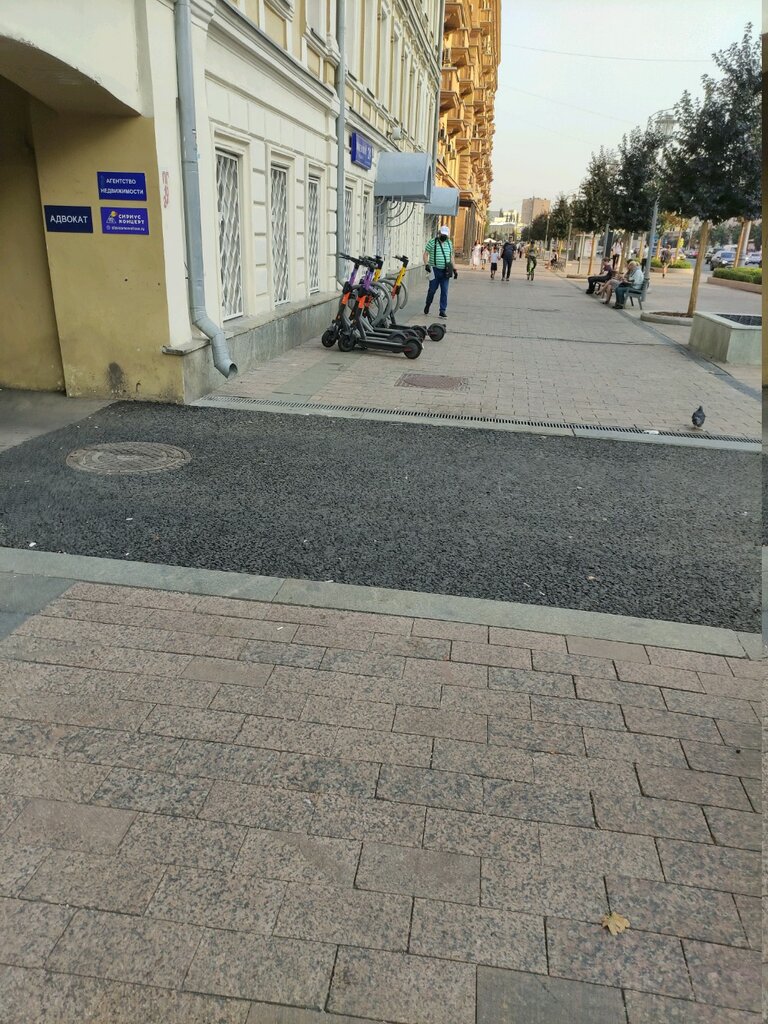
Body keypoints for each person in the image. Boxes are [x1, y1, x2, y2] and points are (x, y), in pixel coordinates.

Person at [423, 224, 456, 319]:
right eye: (442, 234)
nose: (444, 236)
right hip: (434, 270)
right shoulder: (432, 242)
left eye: (446, 235)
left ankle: (442, 310)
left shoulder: (449, 243)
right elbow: (425, 254)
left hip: (446, 271)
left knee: (444, 291)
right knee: (432, 290)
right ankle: (428, 304)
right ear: (439, 233)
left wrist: (455, 268)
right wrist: (426, 265)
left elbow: (451, 256)